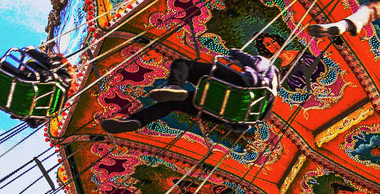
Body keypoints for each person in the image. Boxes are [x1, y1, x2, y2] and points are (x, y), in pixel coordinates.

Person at [99, 51, 278, 134]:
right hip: (235, 115)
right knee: (173, 103)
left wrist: (236, 54)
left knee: (184, 65)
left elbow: (255, 62)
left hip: (243, 86)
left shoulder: (270, 67)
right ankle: (136, 121)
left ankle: (175, 86)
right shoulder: (271, 94)